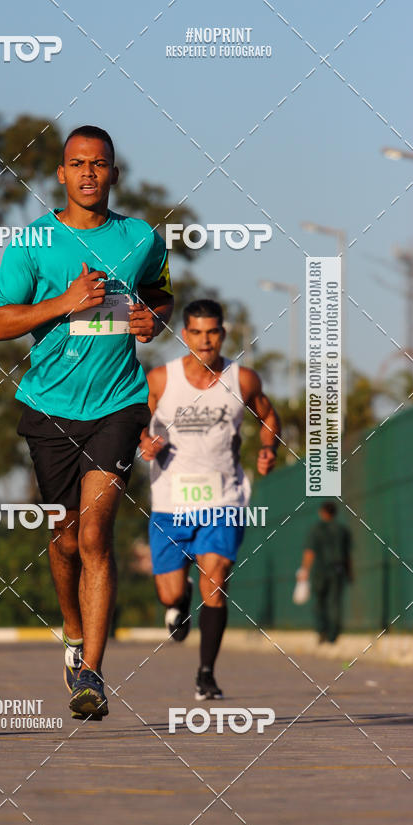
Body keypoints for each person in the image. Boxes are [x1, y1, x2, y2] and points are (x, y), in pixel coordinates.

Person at [0, 126, 174, 719]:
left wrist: (151, 321)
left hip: (118, 405)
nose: (89, 173)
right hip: (49, 409)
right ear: (61, 175)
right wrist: (65, 304)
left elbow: (159, 296)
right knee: (64, 540)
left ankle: (91, 674)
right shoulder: (34, 243)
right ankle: (72, 631)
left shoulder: (140, 237)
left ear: (115, 174)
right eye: (77, 164)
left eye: (100, 164)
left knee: (95, 537)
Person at [139, 299, 280, 700]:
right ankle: (177, 603)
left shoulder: (243, 380)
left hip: (224, 498)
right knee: (169, 591)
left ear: (223, 334)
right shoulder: (161, 380)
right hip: (170, 501)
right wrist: (144, 441)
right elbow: (136, 419)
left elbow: (268, 416)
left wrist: (268, 448)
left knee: (215, 581)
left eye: (213, 332)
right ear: (185, 336)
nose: (205, 341)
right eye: (197, 333)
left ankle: (206, 674)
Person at [298, 501, 352, 643]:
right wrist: (349, 572)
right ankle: (333, 634)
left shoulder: (316, 529)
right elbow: (347, 555)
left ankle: (322, 631)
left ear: (322, 512)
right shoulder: (342, 530)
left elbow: (310, 552)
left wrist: (304, 570)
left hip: (320, 570)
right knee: (335, 602)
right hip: (338, 569)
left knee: (319, 601)